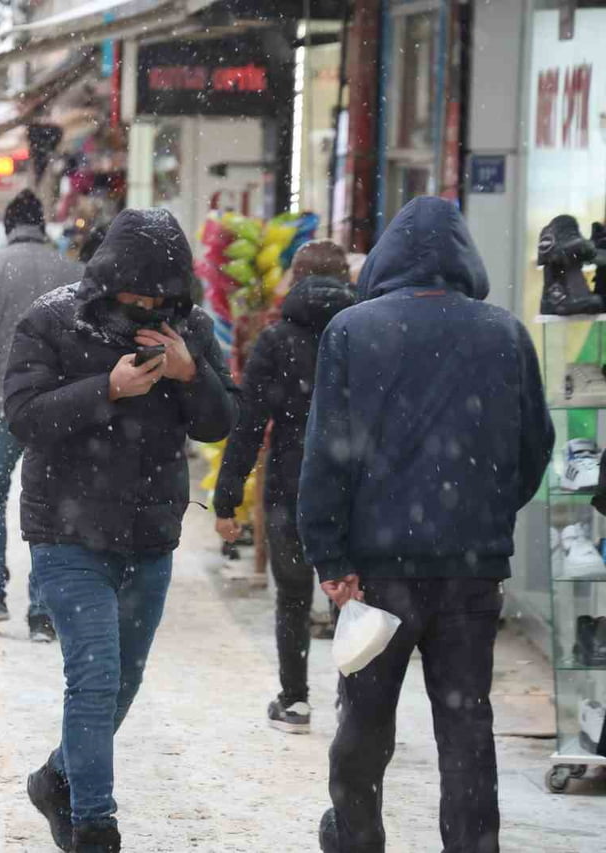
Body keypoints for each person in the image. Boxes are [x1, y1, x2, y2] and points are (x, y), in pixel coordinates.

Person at [297, 197, 554, 853]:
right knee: (466, 720)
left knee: (366, 716)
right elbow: (535, 446)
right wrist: (486, 514)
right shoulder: (506, 333)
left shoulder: (352, 331)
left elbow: (327, 452)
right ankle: (473, 844)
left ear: (384, 257)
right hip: (471, 571)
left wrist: (328, 553)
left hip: (377, 570)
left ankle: (356, 834)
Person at [5, 209, 239, 852]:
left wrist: (195, 375)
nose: (147, 306)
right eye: (136, 295)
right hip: (66, 532)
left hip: (150, 533)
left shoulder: (186, 327)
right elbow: (22, 416)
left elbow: (221, 425)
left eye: (160, 296)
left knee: (124, 683)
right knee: (96, 677)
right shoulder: (52, 319)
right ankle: (95, 826)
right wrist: (104, 388)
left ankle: (57, 778)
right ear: (108, 281)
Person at [211, 240, 355, 735]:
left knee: (293, 596)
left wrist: (227, 498)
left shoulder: (275, 341)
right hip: (354, 485)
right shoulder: (366, 334)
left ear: (294, 279)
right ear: (346, 278)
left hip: (290, 481)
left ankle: (294, 702)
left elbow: (248, 424)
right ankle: (351, 701)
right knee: (351, 594)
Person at [0, 189, 83, 639]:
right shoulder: (72, 271)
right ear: (42, 224)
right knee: (49, 506)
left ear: (8, 226)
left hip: (0, 407)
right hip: (55, 408)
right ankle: (42, 611)